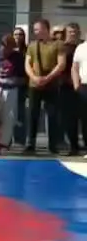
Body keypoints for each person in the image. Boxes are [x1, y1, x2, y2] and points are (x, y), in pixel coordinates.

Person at [24, 19, 66, 155]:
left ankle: (53, 145)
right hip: (34, 85)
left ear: (46, 29)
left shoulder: (58, 44)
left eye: (38, 29)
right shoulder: (32, 45)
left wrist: (47, 78)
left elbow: (61, 64)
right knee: (32, 114)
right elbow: (27, 64)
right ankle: (30, 144)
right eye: (34, 29)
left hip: (51, 85)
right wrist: (34, 78)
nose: (35, 32)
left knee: (52, 115)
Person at [0, 34, 24, 148]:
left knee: (9, 116)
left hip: (11, 88)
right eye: (4, 46)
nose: (6, 49)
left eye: (9, 47)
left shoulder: (18, 57)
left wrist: (17, 81)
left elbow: (22, 76)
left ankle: (4, 142)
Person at [61, 23, 82, 155]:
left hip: (82, 85)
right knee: (69, 119)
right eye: (70, 32)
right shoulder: (62, 47)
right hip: (66, 87)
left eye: (75, 31)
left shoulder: (83, 47)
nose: (73, 34)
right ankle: (73, 146)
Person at [70, 33, 87, 153]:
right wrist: (76, 85)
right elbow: (75, 68)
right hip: (84, 86)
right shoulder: (80, 48)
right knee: (85, 118)